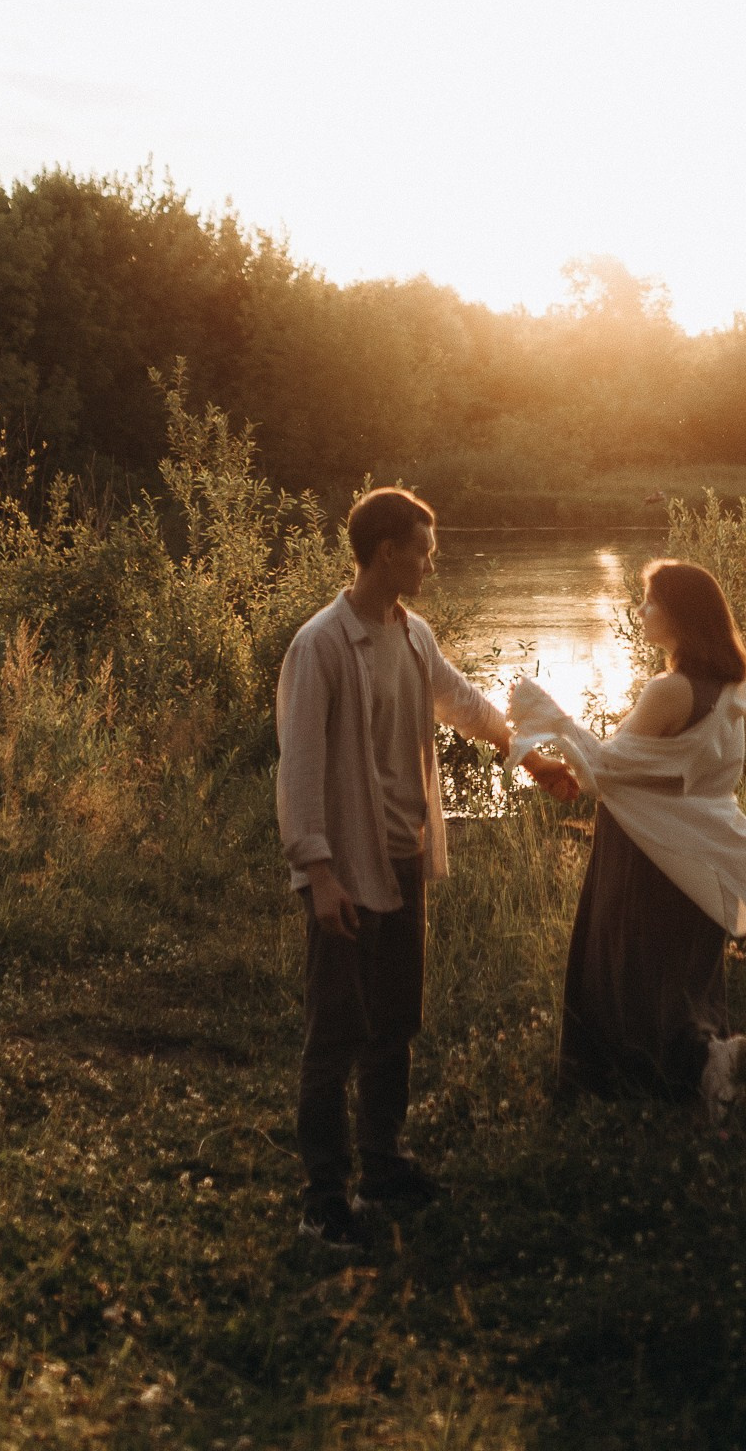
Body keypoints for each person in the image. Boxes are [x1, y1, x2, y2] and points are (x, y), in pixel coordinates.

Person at [276, 486, 579, 1248]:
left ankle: (382, 1165)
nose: (431, 562)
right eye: (424, 549)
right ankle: (323, 1196)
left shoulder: (413, 636)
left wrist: (531, 757)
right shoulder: (320, 646)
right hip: (345, 864)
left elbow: (466, 705)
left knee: (395, 1024)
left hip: (405, 858)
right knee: (336, 1032)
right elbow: (300, 769)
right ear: (388, 553)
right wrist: (318, 873)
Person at [506, 558, 746, 1121]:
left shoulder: (669, 690)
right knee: (682, 974)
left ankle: (667, 1077)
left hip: (649, 848)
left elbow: (606, 768)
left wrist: (549, 727)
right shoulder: (731, 687)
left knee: (624, 970)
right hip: (708, 846)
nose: (641, 611)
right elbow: (653, 769)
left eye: (650, 601)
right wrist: (564, 762)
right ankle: (706, 1066)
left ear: (679, 615)